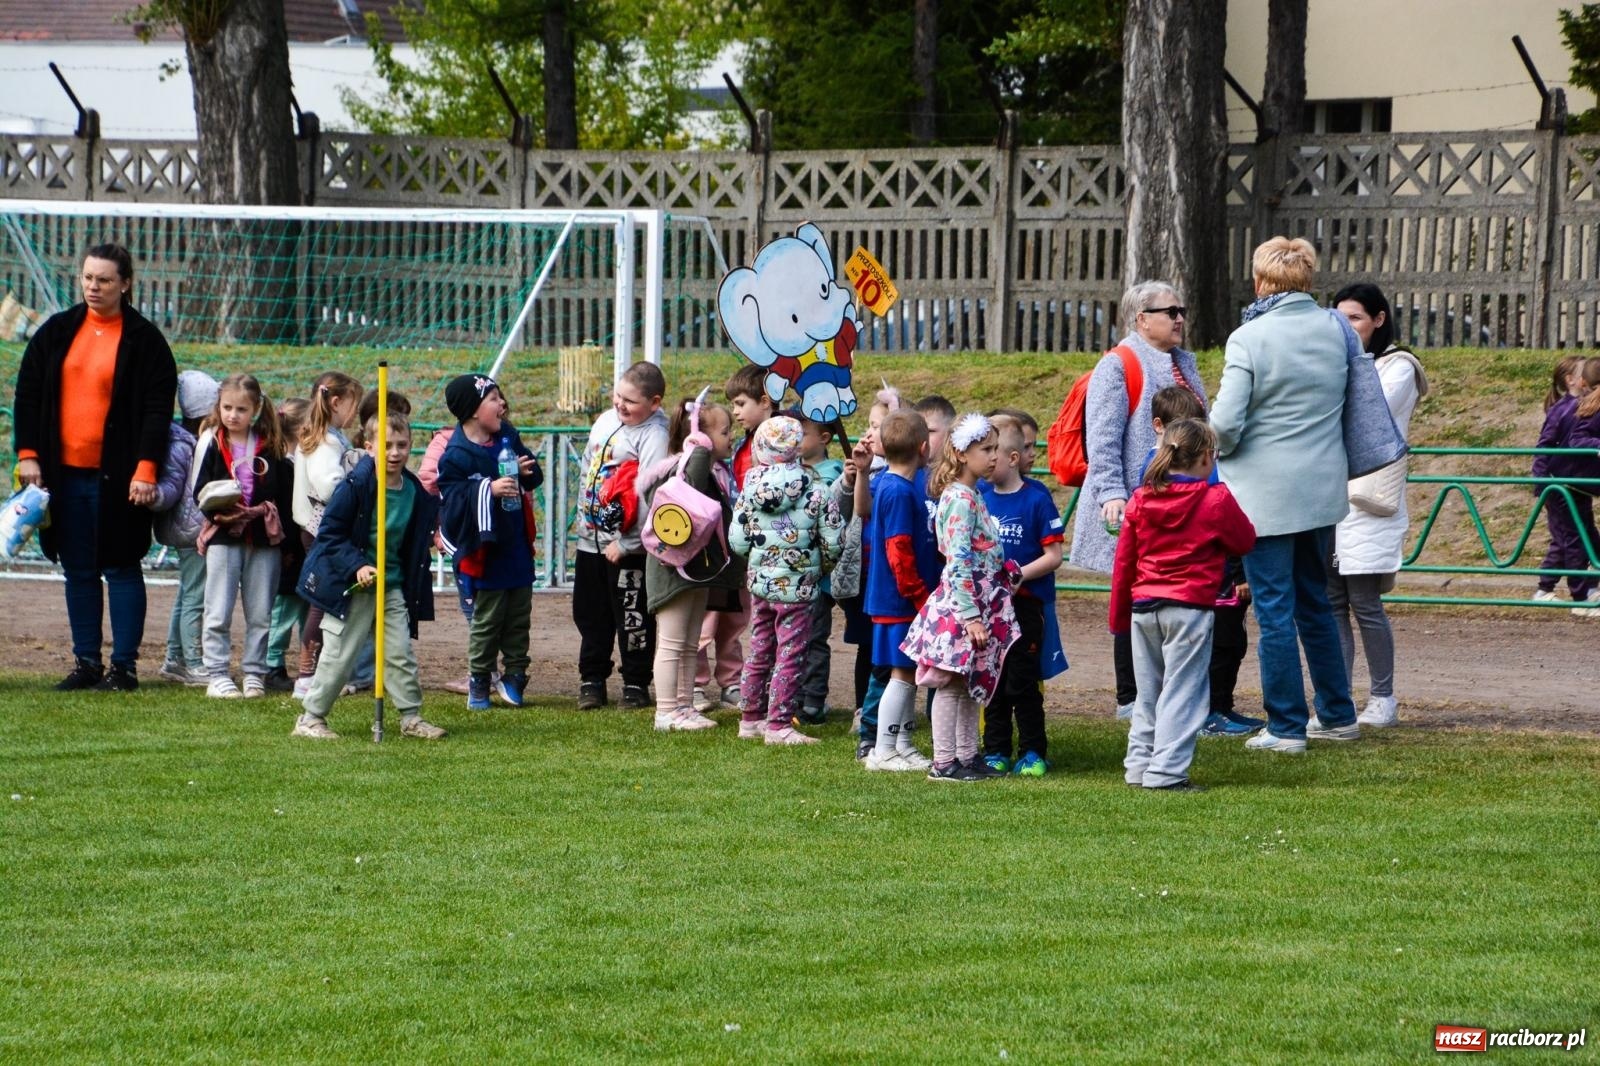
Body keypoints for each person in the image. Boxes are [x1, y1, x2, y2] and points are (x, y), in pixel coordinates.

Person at [1210, 236, 1361, 753]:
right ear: (1308, 278)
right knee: (1316, 601)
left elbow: (1226, 422)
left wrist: (1220, 449)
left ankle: (1286, 726)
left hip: (1264, 493)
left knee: (1274, 609)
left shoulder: (1248, 337)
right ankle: (1338, 713)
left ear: (1260, 281)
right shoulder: (1335, 329)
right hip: (1321, 487)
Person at [12, 242, 178, 691]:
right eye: (87, 277)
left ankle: (123, 668)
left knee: (122, 565)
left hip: (122, 479)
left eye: (104, 279)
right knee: (77, 568)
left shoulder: (146, 341)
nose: (93, 286)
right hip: (61, 478)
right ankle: (86, 663)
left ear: (126, 284)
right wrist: (28, 455)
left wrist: (146, 469)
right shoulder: (57, 331)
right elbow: (27, 396)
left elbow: (156, 412)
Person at [1068, 280, 1207, 720]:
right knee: (1134, 600)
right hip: (1135, 506)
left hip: (1177, 501)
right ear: (1141, 319)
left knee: (1163, 599)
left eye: (1181, 309)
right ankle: (1131, 698)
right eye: (1170, 311)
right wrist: (1112, 494)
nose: (1180, 318)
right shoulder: (1119, 364)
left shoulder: (1183, 361)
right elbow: (1103, 439)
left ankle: (1166, 696)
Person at [1110, 419, 1257, 791]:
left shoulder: (1141, 498)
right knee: (1184, 692)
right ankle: (1167, 773)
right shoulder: (1215, 499)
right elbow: (1244, 540)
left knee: (1149, 692)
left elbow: (1124, 561)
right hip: (1189, 607)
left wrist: (1119, 617)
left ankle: (1139, 767)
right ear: (1208, 457)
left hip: (1144, 606)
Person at [291, 409, 445, 741]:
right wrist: (356, 565)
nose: (394, 453)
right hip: (354, 585)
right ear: (368, 445)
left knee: (399, 652)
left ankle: (411, 717)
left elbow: (413, 539)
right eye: (386, 445)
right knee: (340, 654)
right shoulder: (357, 485)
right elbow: (330, 533)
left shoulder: (413, 491)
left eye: (402, 445)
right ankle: (310, 718)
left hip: (391, 585)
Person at [1326, 283, 1429, 727]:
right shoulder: (1335, 364)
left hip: (1368, 502)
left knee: (1364, 601)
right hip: (1328, 496)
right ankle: (1337, 697)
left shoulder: (1398, 367)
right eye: (1339, 318)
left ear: (1379, 320)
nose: (1346, 327)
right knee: (1331, 601)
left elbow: (1368, 416)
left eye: (1355, 318)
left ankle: (1382, 697)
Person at [902, 413, 1019, 782]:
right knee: (951, 684)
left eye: (996, 449)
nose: (994, 457)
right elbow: (957, 560)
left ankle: (968, 756)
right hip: (962, 606)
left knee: (970, 685)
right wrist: (970, 616)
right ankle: (944, 761)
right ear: (962, 453)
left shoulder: (972, 495)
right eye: (986, 449)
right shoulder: (959, 499)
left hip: (979, 602)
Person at [729, 416, 845, 744]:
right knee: (791, 651)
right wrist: (821, 567)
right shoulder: (818, 490)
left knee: (761, 646)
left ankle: (750, 717)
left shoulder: (749, 489)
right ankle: (779, 723)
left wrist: (757, 560)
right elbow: (834, 540)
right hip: (798, 584)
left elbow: (737, 541)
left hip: (761, 582)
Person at [436, 373, 543, 709]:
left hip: (516, 545)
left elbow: (532, 477)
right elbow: (451, 500)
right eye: (493, 399)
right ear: (471, 411)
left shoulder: (507, 435)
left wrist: (527, 472)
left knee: (518, 616)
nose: (502, 405)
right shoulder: (456, 455)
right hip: (485, 552)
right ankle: (480, 680)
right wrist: (488, 489)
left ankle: (515, 676)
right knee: (488, 619)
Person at [643, 395, 743, 732]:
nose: (732, 438)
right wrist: (698, 449)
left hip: (696, 569)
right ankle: (666, 711)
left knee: (689, 643)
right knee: (672, 642)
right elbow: (691, 489)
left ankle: (684, 706)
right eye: (725, 432)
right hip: (674, 570)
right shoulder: (682, 470)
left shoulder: (712, 470)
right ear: (700, 437)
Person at [574, 362, 670, 710]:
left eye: (630, 400)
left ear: (654, 402)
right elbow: (588, 468)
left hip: (627, 548)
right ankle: (592, 679)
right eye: (617, 395)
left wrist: (628, 543)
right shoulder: (605, 422)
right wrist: (584, 520)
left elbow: (651, 493)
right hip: (592, 540)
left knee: (632, 614)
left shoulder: (655, 436)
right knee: (590, 612)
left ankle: (635, 682)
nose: (620, 405)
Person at [194, 373, 293, 699]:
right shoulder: (212, 441)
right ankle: (217, 674)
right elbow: (199, 491)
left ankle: (254, 673)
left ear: (256, 409)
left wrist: (279, 530)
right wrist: (217, 512)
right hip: (224, 536)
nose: (233, 415)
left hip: (263, 539)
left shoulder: (271, 445)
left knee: (261, 611)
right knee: (218, 609)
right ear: (218, 407)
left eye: (241, 409)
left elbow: (284, 493)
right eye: (227, 407)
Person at [979, 413, 1066, 777]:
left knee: (1023, 681)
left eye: (991, 453)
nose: (985, 460)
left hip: (1026, 607)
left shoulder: (1036, 499)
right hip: (988, 610)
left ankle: (1032, 751)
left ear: (1011, 458)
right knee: (993, 680)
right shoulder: (978, 496)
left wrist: (1019, 575)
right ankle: (995, 750)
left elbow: (1054, 556)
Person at [862, 410, 942, 772]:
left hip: (909, 601)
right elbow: (898, 550)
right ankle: (882, 749)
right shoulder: (895, 490)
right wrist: (919, 596)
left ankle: (903, 744)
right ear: (924, 449)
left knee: (908, 672)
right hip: (900, 601)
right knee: (901, 673)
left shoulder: (906, 486)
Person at [692, 363, 772, 713]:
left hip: (743, 557)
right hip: (713, 559)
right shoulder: (708, 468)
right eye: (725, 426)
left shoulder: (753, 449)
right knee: (705, 624)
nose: (737, 417)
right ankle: (693, 685)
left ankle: (732, 684)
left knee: (735, 622)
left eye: (741, 405)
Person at [290, 372, 364, 698]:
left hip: (321, 531)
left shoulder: (330, 438)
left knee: (327, 603)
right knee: (323, 604)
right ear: (336, 402)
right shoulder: (325, 442)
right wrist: (357, 478)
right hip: (324, 532)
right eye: (354, 405)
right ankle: (307, 677)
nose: (355, 412)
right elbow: (329, 485)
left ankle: (317, 674)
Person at [157, 370, 218, 686]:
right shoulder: (186, 445)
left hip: (189, 528)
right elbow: (175, 487)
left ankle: (174, 658)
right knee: (196, 594)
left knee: (187, 592)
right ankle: (194, 663)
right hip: (192, 531)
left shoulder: (186, 440)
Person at [1532, 356, 1600, 608]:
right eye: (1584, 371)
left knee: (1579, 536)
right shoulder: (1563, 409)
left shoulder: (1585, 405)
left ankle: (1553, 589)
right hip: (1559, 484)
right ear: (1572, 380)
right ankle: (1580, 596)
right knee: (1571, 539)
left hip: (1576, 484)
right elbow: (1545, 446)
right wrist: (1541, 480)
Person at [795, 410, 847, 725]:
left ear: (824, 438)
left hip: (818, 577)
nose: (794, 440)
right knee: (790, 638)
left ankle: (813, 701)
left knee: (813, 638)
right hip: (790, 574)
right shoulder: (789, 472)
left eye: (802, 433)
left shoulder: (832, 473)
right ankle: (792, 695)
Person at [264, 396, 310, 692]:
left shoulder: (303, 462)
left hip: (305, 550)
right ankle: (272, 665)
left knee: (307, 607)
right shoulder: (281, 466)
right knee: (283, 611)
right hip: (289, 550)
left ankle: (309, 664)